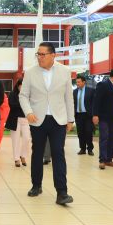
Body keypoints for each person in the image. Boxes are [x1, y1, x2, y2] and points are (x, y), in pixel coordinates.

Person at [19, 42, 74, 206]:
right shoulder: (30, 72)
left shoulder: (64, 71)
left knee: (58, 153)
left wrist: (70, 119)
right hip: (37, 119)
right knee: (37, 153)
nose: (40, 57)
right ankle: (36, 185)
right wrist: (28, 112)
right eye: (38, 54)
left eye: (43, 54)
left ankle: (62, 192)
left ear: (53, 55)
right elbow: (23, 95)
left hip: (58, 119)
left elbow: (68, 97)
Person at [93, 68, 113, 170]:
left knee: (112, 138)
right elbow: (96, 100)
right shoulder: (103, 85)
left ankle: (108, 160)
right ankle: (102, 160)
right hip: (104, 117)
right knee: (104, 137)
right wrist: (95, 115)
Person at [5, 78, 30, 167]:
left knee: (27, 139)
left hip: (26, 119)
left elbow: (31, 106)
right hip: (15, 119)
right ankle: (16, 159)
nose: (22, 88)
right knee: (15, 140)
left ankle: (23, 156)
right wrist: (24, 104)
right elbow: (12, 105)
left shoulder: (28, 95)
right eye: (21, 86)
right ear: (18, 86)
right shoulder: (12, 94)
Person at [73, 75, 95, 156]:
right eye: (76, 82)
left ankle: (90, 149)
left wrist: (94, 114)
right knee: (80, 132)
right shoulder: (74, 92)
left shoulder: (91, 91)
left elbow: (94, 103)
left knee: (88, 132)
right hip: (78, 115)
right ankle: (82, 149)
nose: (77, 83)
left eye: (79, 82)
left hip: (88, 115)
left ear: (84, 82)